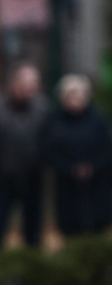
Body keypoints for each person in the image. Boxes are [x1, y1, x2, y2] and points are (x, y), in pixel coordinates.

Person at [0, 62, 49, 258]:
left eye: (34, 85)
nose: (30, 90)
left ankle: (33, 267)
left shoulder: (42, 108)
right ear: (15, 83)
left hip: (33, 177)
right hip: (4, 178)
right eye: (27, 84)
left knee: (32, 230)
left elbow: (47, 141)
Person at [42, 75, 112, 236]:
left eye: (81, 93)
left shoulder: (98, 120)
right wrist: (71, 168)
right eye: (72, 94)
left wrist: (92, 167)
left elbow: (107, 149)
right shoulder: (54, 122)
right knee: (70, 226)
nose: (77, 98)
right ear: (62, 97)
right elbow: (50, 151)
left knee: (97, 226)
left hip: (96, 183)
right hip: (67, 184)